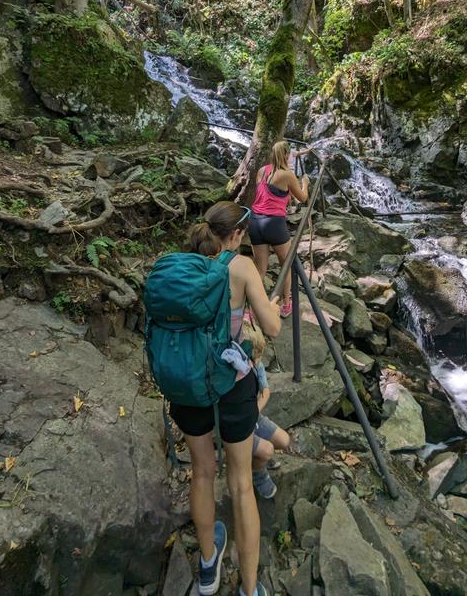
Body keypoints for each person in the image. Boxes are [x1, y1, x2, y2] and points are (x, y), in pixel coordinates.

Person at [169, 201, 281, 596]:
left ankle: (206, 565)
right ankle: (249, 590)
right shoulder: (241, 266)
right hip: (231, 386)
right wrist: (274, 308)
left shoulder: (181, 264)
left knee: (201, 471)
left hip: (186, 384)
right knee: (240, 484)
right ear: (236, 234)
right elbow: (272, 327)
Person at [248, 141, 310, 318]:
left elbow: (267, 193)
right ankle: (286, 304)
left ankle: (250, 310)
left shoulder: (262, 171)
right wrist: (304, 182)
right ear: (286, 155)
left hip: (255, 221)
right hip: (273, 223)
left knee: (260, 270)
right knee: (286, 265)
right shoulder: (287, 174)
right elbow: (303, 198)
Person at [242, 320, 291, 499]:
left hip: (254, 417)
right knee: (267, 450)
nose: (259, 360)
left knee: (284, 441)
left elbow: (266, 392)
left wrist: (254, 412)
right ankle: (258, 474)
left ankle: (258, 458)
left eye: (260, 355)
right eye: (255, 356)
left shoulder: (258, 365)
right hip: (239, 425)